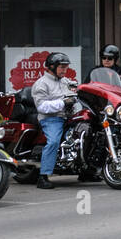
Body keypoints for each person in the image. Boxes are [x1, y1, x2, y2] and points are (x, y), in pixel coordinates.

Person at [30, 52, 77, 190]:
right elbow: (41, 106)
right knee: (54, 142)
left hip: (68, 117)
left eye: (66, 67)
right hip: (51, 119)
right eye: (62, 67)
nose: (64, 70)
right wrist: (63, 103)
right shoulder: (41, 84)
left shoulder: (65, 81)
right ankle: (43, 176)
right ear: (51, 67)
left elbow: (75, 94)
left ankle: (88, 171)